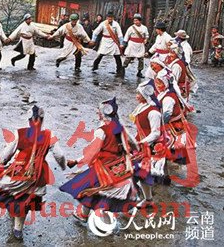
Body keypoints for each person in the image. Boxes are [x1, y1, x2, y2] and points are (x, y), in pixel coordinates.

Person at [0, 105, 66, 240]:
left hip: (19, 172)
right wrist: (63, 166)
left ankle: (16, 223)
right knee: (26, 200)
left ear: (29, 120)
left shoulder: (20, 133)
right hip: (37, 174)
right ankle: (18, 229)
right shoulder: (49, 135)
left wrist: (1, 160)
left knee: (15, 194)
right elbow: (60, 155)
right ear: (42, 119)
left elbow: (7, 154)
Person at [60, 98, 138, 222]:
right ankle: (87, 215)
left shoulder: (101, 131)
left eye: (99, 111)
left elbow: (91, 152)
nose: (97, 112)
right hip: (120, 165)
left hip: (104, 166)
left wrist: (76, 161)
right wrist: (134, 153)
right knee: (99, 191)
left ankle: (92, 218)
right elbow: (132, 143)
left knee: (88, 188)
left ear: (102, 114)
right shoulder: (120, 128)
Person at [131, 80, 168, 209]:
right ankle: (147, 199)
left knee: (138, 172)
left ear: (145, 95)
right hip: (142, 145)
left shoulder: (153, 112)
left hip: (150, 148)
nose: (136, 96)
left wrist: (141, 142)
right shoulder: (143, 107)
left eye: (139, 94)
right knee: (139, 173)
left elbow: (156, 133)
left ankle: (140, 197)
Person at [154, 69, 196, 167]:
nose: (157, 85)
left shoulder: (168, 98)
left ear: (166, 83)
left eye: (160, 83)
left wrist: (159, 125)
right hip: (176, 125)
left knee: (173, 147)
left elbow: (167, 114)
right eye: (157, 82)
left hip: (172, 127)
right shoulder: (167, 93)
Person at [91, 11, 124, 76]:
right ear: (106, 17)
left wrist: (121, 43)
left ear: (113, 18)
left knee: (117, 55)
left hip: (113, 41)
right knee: (101, 54)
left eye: (111, 17)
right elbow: (95, 32)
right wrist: (93, 40)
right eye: (109, 17)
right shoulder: (103, 24)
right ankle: (95, 66)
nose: (110, 18)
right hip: (105, 41)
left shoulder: (116, 24)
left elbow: (120, 35)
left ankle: (119, 70)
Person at [122, 14, 149, 78]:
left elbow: (147, 35)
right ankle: (123, 68)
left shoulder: (144, 28)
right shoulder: (131, 28)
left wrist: (146, 39)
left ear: (140, 21)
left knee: (141, 59)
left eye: (136, 20)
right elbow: (126, 36)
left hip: (140, 45)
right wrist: (124, 43)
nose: (135, 22)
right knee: (128, 58)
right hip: (132, 45)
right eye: (134, 21)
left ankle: (139, 72)